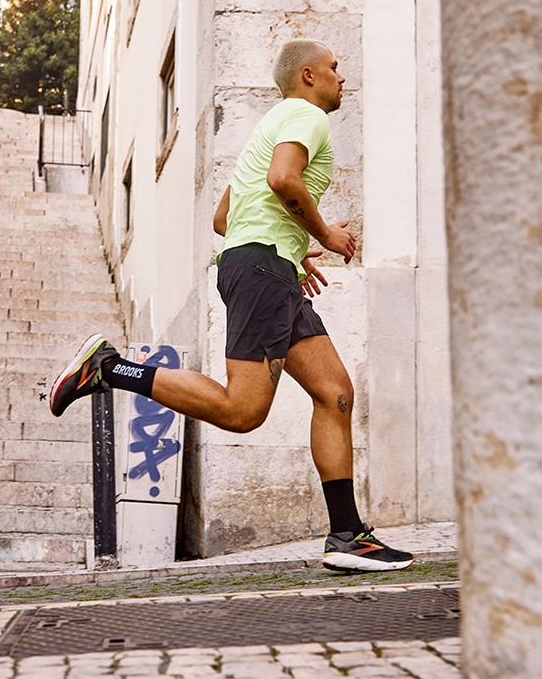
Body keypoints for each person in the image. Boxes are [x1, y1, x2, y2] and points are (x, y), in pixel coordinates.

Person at [50, 39, 413, 572]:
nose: (343, 77)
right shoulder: (306, 116)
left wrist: (291, 249)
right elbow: (283, 181)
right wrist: (325, 235)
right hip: (264, 271)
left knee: (334, 392)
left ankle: (346, 536)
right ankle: (108, 367)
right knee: (243, 411)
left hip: (270, 267)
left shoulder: (272, 126)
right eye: (335, 69)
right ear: (308, 75)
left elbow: (225, 217)